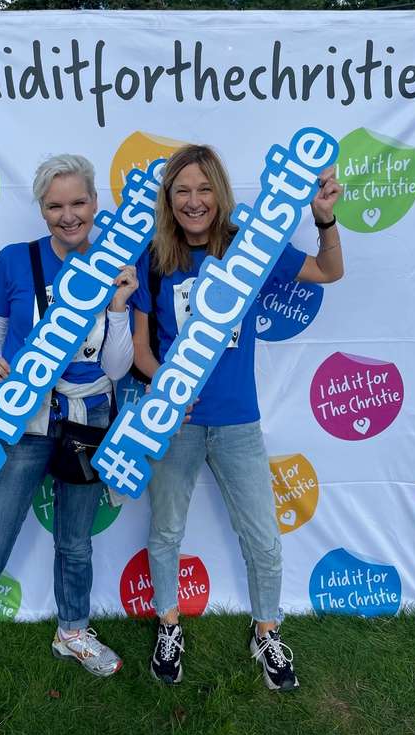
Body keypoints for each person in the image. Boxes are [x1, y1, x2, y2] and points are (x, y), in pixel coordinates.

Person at [0, 154, 138, 724]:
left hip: (90, 421)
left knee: (76, 542)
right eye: (55, 205)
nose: (69, 216)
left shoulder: (117, 262)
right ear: (41, 209)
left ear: (95, 203)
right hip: (20, 423)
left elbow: (118, 370)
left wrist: (119, 307)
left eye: (78, 203)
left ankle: (71, 631)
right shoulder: (15, 261)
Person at [130, 144, 343, 691]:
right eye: (182, 191)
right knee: (166, 531)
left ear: (219, 193)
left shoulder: (249, 249)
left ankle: (266, 630)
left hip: (238, 422)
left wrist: (325, 220)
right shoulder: (154, 258)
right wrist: (166, 388)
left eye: (204, 189)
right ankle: (169, 625)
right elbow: (140, 350)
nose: (194, 201)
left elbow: (328, 270)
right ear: (169, 198)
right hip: (173, 423)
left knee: (264, 537)